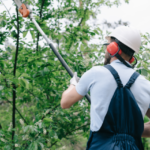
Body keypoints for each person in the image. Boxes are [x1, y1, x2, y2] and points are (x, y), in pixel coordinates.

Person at [61, 26, 150, 150]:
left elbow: (65, 102)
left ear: (112, 48)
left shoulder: (95, 73)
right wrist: (131, 131)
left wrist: (74, 83)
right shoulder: (146, 85)